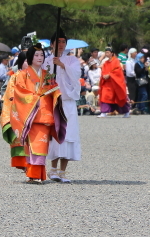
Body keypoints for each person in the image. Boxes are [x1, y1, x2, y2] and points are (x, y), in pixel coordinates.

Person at [0, 43, 65, 184]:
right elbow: (19, 93)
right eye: (36, 55)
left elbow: (54, 91)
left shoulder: (47, 75)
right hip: (29, 114)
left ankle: (36, 173)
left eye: (42, 55)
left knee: (41, 144)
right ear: (30, 57)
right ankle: (33, 173)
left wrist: (55, 92)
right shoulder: (21, 75)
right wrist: (35, 98)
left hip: (44, 114)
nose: (40, 57)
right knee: (30, 146)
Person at [45, 29, 82, 183]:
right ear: (52, 44)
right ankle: (52, 169)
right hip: (52, 102)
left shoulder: (72, 60)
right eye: (58, 41)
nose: (61, 44)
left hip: (68, 102)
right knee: (54, 135)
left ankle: (62, 171)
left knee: (68, 135)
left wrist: (62, 65)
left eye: (63, 42)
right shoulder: (47, 60)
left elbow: (76, 76)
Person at [98, 48, 130, 117]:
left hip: (115, 83)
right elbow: (103, 70)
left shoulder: (116, 61)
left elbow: (118, 70)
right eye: (106, 52)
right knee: (104, 96)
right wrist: (104, 75)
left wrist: (110, 74)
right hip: (107, 83)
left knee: (119, 98)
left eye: (108, 52)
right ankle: (103, 112)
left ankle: (126, 111)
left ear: (112, 53)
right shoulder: (105, 63)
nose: (107, 54)